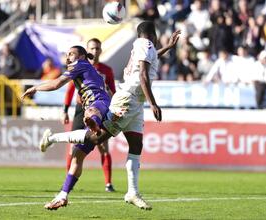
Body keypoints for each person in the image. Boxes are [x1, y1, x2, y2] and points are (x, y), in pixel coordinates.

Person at [39, 21, 181, 210]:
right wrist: (153, 103)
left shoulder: (145, 48)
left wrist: (168, 48)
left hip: (136, 103)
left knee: (135, 145)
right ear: (153, 36)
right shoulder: (145, 44)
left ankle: (131, 192)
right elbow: (143, 76)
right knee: (96, 138)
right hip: (127, 101)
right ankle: (53, 138)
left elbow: (148, 63)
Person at [21, 45, 111, 210]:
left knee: (92, 112)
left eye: (72, 54)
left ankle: (92, 123)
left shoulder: (80, 65)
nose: (68, 57)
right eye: (67, 54)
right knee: (77, 156)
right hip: (105, 106)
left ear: (82, 57)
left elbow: (56, 84)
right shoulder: (87, 69)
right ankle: (63, 196)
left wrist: (35, 88)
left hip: (98, 105)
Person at [63, 38, 116, 192]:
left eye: (97, 48)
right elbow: (70, 89)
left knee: (102, 145)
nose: (95, 51)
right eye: (92, 48)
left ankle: (108, 183)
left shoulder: (106, 70)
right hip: (81, 109)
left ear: (100, 50)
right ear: (86, 52)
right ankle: (69, 181)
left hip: (99, 107)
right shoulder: (78, 67)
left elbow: (112, 90)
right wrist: (65, 109)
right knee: (72, 144)